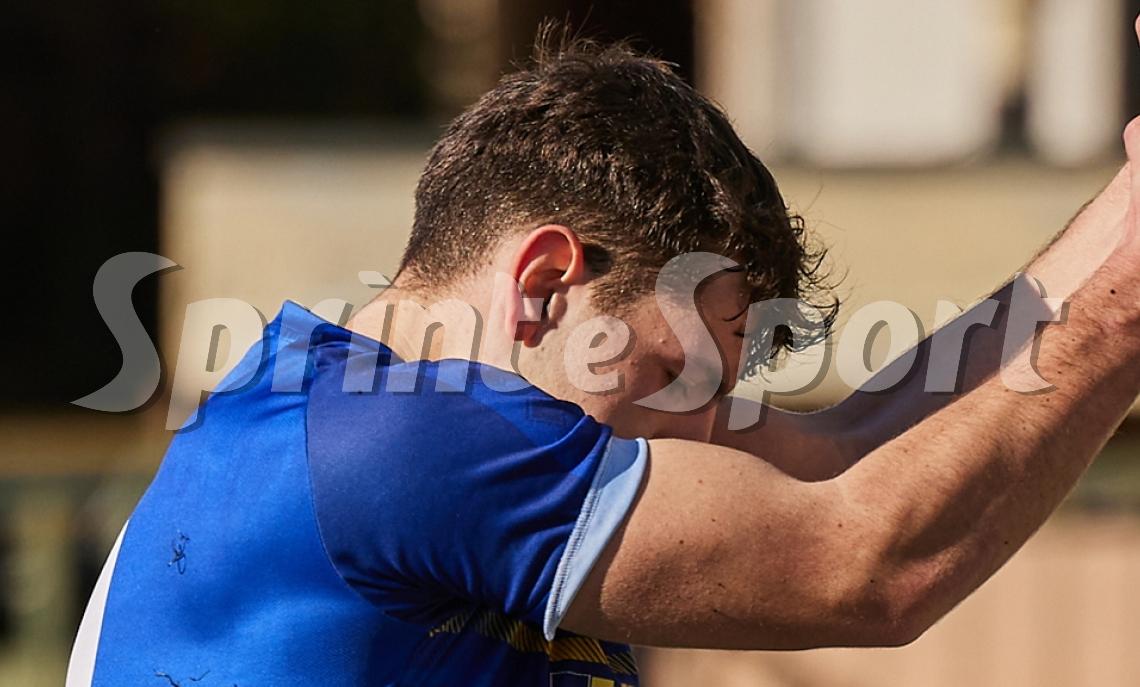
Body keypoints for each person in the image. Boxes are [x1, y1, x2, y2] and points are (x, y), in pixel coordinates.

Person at [68, 21, 1140, 687]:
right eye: (682, 378)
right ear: (543, 285)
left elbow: (845, 452)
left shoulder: (332, 407)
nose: (714, 432)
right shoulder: (401, 438)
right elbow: (866, 567)